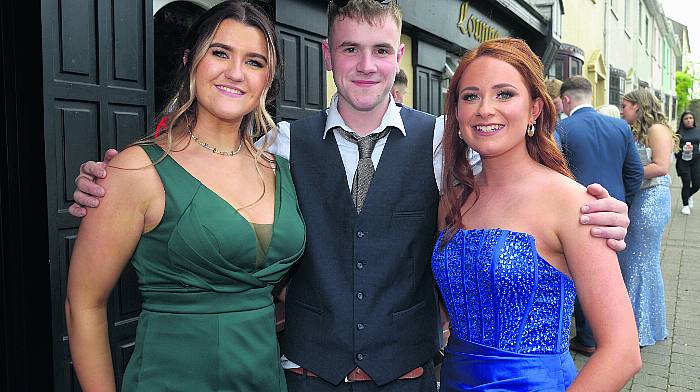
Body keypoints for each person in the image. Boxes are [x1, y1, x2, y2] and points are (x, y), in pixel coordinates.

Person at [70, 1, 632, 390]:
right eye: (351, 49)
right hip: (301, 374)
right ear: (327, 57)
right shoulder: (278, 145)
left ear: (399, 59)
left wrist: (602, 210)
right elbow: (200, 180)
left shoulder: (446, 143)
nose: (367, 66)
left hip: (409, 376)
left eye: (383, 50)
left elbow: (518, 182)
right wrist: (107, 182)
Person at [64, 2, 306, 391]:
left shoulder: (282, 170)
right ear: (190, 60)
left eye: (255, 62)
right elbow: (84, 306)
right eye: (220, 52)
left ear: (268, 79)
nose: (235, 72)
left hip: (264, 379)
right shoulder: (137, 169)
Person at [433, 38, 641, 391]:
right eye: (470, 96)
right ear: (456, 112)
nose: (485, 108)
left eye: (504, 94)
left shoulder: (573, 203)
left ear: (534, 109)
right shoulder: (452, 198)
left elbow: (622, 352)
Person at [557, 76, 644, 357]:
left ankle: (587, 336)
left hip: (577, 213)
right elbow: (635, 172)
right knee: (609, 273)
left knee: (579, 276)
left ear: (567, 100)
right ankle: (608, 335)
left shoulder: (563, 127)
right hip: (613, 209)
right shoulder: (620, 126)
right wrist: (622, 201)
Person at [619, 88, 678, 347]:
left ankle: (640, 329)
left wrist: (627, 172)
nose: (622, 110)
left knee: (641, 262)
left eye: (626, 106)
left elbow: (661, 166)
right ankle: (641, 325)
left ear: (638, 106)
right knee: (636, 261)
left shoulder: (657, 130)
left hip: (652, 199)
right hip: (642, 198)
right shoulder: (639, 130)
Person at [675, 111, 700, 215]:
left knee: (697, 184)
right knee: (686, 182)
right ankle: (685, 205)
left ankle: (688, 195)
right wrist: (683, 150)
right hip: (683, 161)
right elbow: (675, 149)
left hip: (696, 161)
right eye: (686, 118)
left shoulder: (698, 130)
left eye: (691, 118)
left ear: (693, 120)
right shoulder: (678, 133)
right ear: (682, 121)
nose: (689, 120)